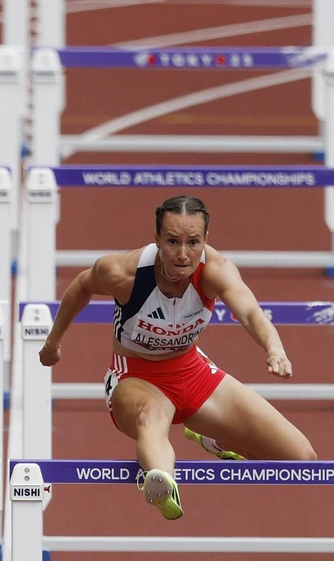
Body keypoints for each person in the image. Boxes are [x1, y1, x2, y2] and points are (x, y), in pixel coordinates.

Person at [39, 194, 316, 520]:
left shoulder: (216, 270)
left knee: (302, 461)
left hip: (192, 371)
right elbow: (80, 287)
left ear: (205, 240)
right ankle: (161, 482)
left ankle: (212, 439)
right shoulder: (123, 272)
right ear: (157, 239)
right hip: (136, 377)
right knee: (151, 417)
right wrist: (52, 344)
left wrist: (274, 348)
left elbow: (250, 312)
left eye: (193, 242)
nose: (183, 254)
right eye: (172, 242)